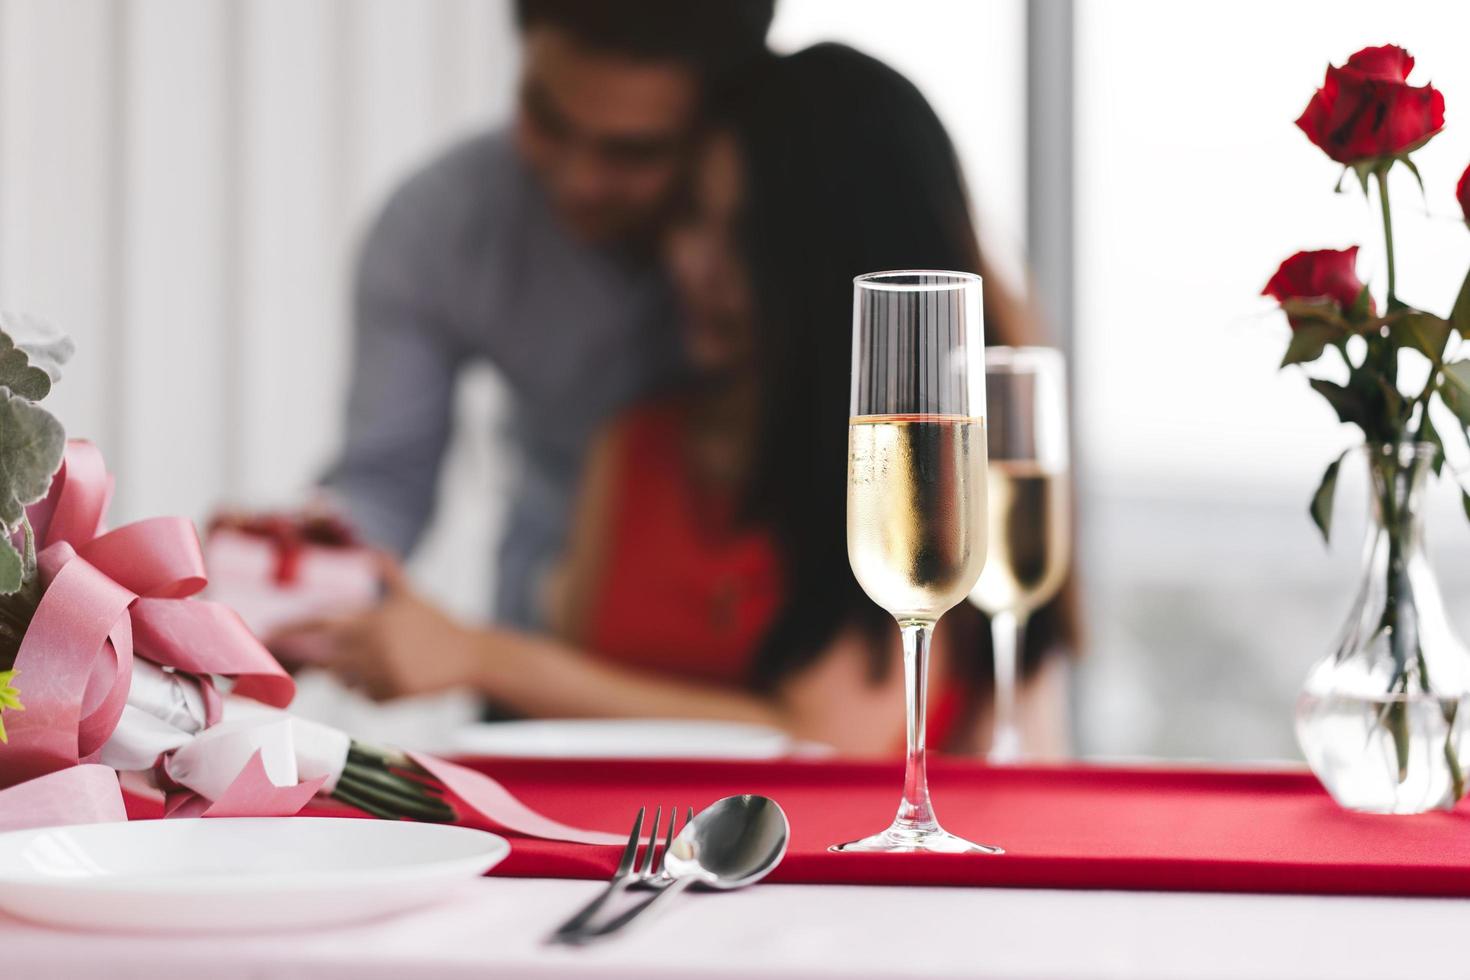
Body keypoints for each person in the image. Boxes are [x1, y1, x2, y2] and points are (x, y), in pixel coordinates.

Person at [322, 44, 1077, 756]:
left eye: (745, 236)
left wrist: (480, 656)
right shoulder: (633, 445)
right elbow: (574, 719)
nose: (693, 266)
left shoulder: (905, 472)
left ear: (824, 259)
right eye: (689, 217)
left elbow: (828, 737)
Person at [321, 1, 776, 630]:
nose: (577, 181)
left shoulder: (826, 230)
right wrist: (301, 571)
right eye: (546, 119)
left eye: (631, 152)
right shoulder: (441, 224)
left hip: (759, 655)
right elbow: (384, 483)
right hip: (541, 652)